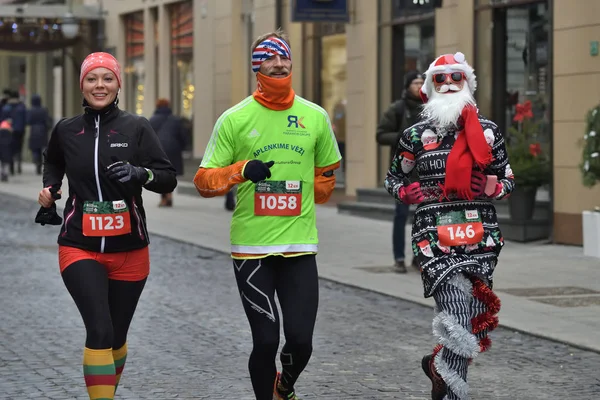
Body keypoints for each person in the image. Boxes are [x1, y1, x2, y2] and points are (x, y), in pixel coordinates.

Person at [193, 29, 341, 400]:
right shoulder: (234, 119)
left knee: (302, 341)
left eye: (282, 56)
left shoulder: (315, 116)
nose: (277, 63)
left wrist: (320, 183)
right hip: (251, 249)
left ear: (291, 61)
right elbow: (202, 181)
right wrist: (241, 171)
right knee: (265, 340)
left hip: (299, 246)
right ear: (256, 67)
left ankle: (284, 387)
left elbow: (326, 174)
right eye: (268, 58)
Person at [36, 52, 177, 400]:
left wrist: (140, 173)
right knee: (99, 329)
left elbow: (168, 178)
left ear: (118, 85)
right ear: (82, 85)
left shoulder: (137, 127)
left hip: (130, 250)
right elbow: (52, 160)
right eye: (92, 79)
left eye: (107, 78)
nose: (99, 85)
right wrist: (50, 189)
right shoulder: (66, 129)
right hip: (79, 243)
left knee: (115, 336)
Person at [384, 52, 514, 400]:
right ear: (429, 87)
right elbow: (394, 178)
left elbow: (506, 178)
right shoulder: (415, 135)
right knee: (456, 308)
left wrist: (490, 187)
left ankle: (439, 365)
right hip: (434, 235)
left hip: (480, 236)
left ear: (468, 84)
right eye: (440, 79)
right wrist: (405, 191)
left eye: (456, 78)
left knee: (468, 316)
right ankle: (456, 395)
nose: (449, 84)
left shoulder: (488, 132)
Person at [376, 70, 425, 273]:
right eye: (415, 82)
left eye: (422, 82)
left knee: (424, 217)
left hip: (426, 171)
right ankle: (399, 257)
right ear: (407, 86)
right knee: (401, 215)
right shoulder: (398, 108)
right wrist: (402, 138)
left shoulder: (431, 108)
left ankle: (419, 257)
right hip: (403, 172)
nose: (419, 86)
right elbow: (380, 135)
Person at [149, 98, 186, 207]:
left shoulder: (152, 120)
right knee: (171, 173)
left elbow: (149, 137)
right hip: (173, 149)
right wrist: (181, 147)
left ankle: (164, 198)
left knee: (160, 173)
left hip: (158, 149)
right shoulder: (175, 120)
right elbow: (183, 136)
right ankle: (169, 195)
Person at [1, 90, 26, 175]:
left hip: (8, 130)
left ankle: (11, 166)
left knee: (9, 148)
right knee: (18, 149)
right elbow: (24, 119)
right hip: (20, 131)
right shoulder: (22, 107)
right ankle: (18, 163)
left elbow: (2, 119)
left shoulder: (6, 107)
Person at [27, 94, 51, 175]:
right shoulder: (44, 110)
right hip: (43, 130)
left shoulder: (31, 110)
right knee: (41, 148)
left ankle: (36, 160)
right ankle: (40, 163)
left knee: (35, 148)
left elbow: (28, 121)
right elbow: (47, 120)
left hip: (34, 130)